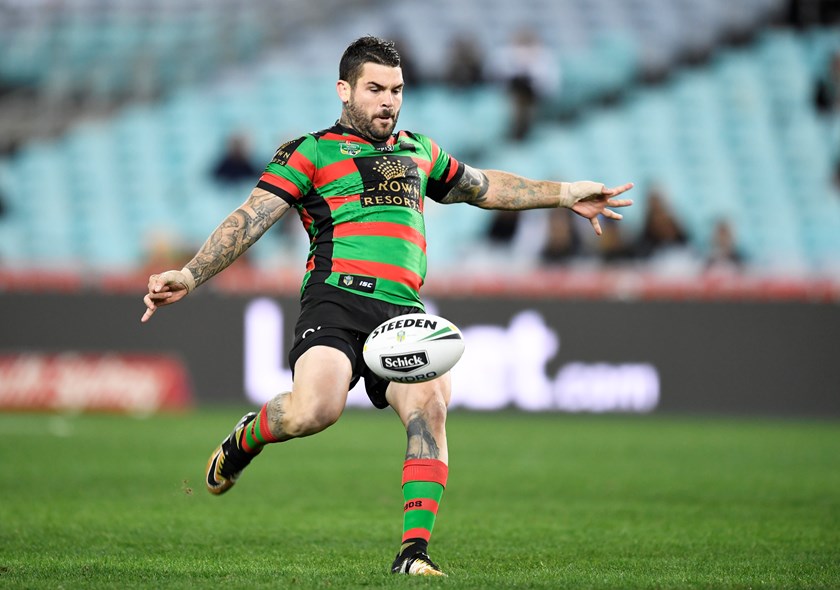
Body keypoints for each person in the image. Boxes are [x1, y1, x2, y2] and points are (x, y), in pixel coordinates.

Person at [141, 36, 633, 577]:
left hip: (403, 314)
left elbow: (486, 186)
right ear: (344, 90)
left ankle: (413, 554)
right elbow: (252, 217)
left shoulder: (420, 150)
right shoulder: (310, 151)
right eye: (375, 89)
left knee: (430, 411)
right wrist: (190, 273)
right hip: (335, 300)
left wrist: (565, 194)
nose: (388, 101)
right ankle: (247, 437)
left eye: (396, 90)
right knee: (314, 411)